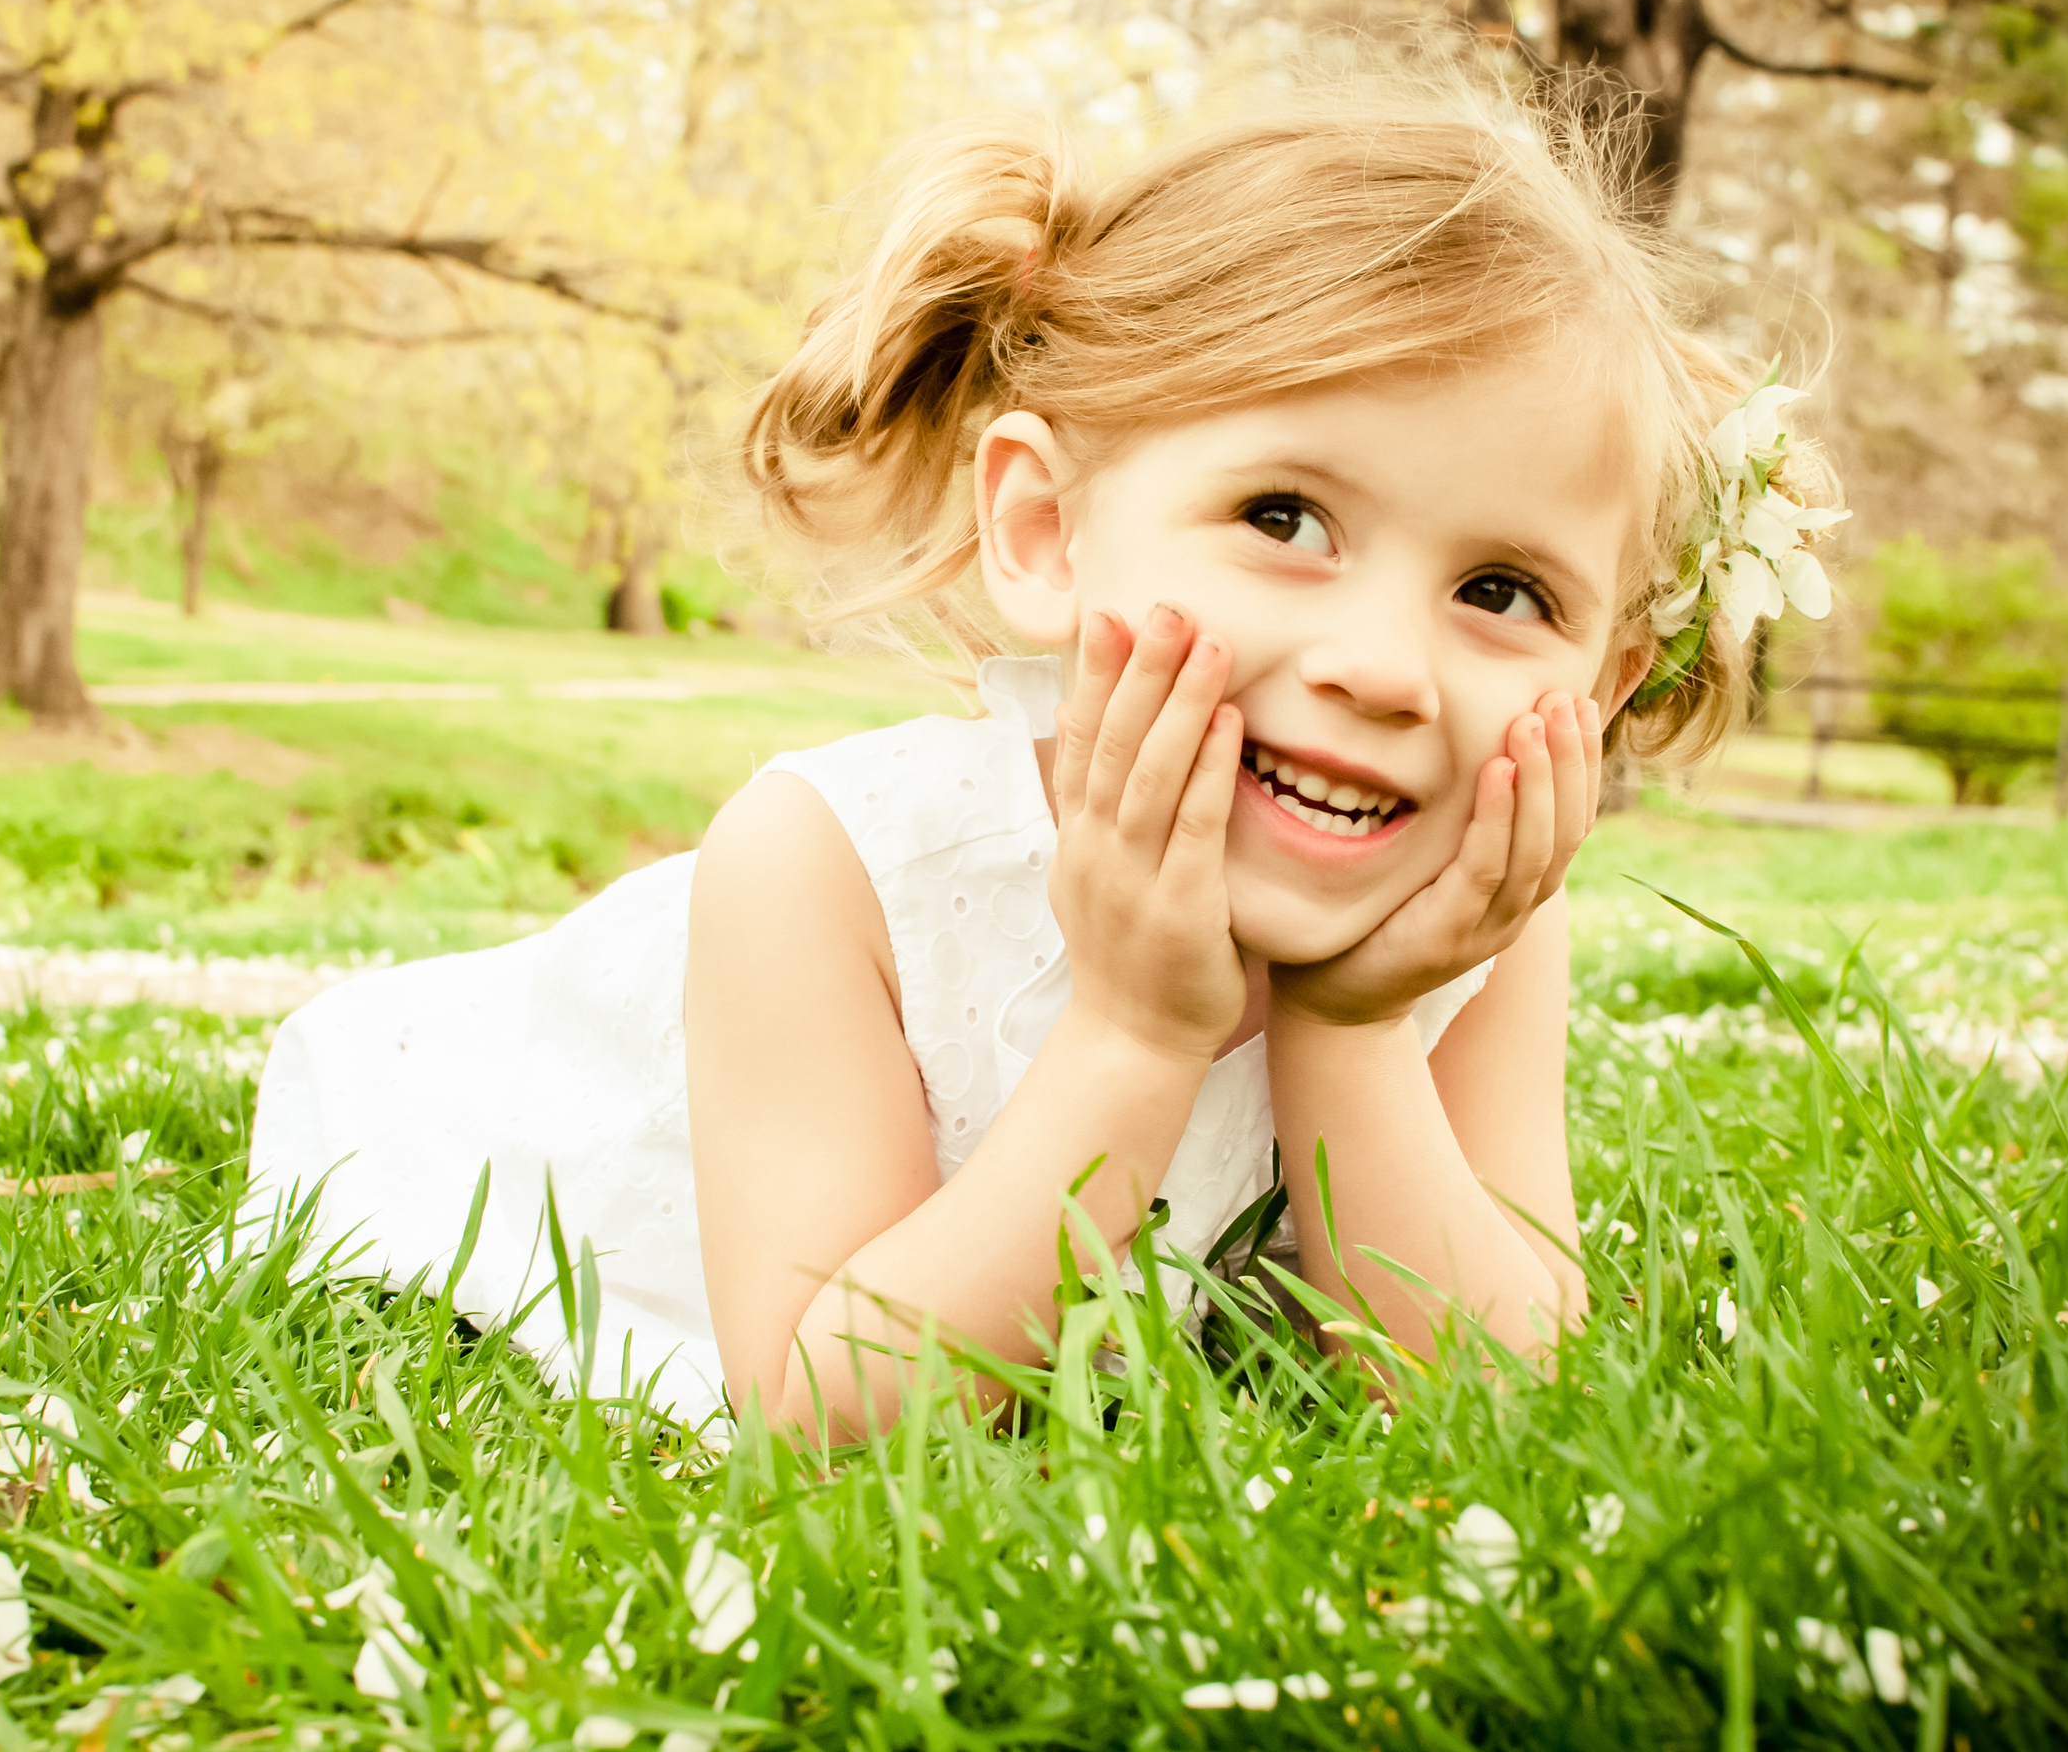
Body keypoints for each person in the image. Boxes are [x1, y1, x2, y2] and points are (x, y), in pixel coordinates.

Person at [243, 71, 1843, 1441]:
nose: (1380, 669)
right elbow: (826, 1413)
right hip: (533, 1151)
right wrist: (1141, 1032)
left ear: (1611, 673)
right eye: (1284, 519)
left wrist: (1353, 1033)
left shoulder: (1479, 916)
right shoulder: (825, 864)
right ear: (1043, 529)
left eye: (1502, 593)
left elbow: (1503, 1399)